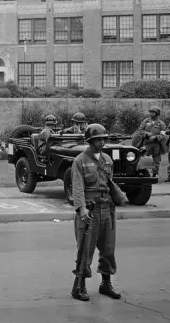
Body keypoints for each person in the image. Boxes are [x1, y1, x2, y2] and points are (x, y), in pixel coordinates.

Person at [70, 124, 127, 302]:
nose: (102, 142)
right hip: (89, 209)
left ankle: (106, 283)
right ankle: (79, 285)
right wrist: (81, 208)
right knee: (85, 250)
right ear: (90, 141)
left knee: (108, 249)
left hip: (106, 208)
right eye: (98, 139)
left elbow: (109, 183)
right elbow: (77, 188)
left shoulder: (107, 160)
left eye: (104, 138)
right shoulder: (79, 160)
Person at [136, 106, 168, 181]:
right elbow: (140, 131)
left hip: (156, 144)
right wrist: (147, 135)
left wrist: (156, 137)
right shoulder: (146, 121)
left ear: (157, 113)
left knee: (156, 159)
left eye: (153, 112)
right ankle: (142, 173)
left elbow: (163, 135)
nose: (151, 113)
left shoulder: (161, 124)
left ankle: (154, 174)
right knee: (142, 157)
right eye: (150, 112)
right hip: (146, 143)